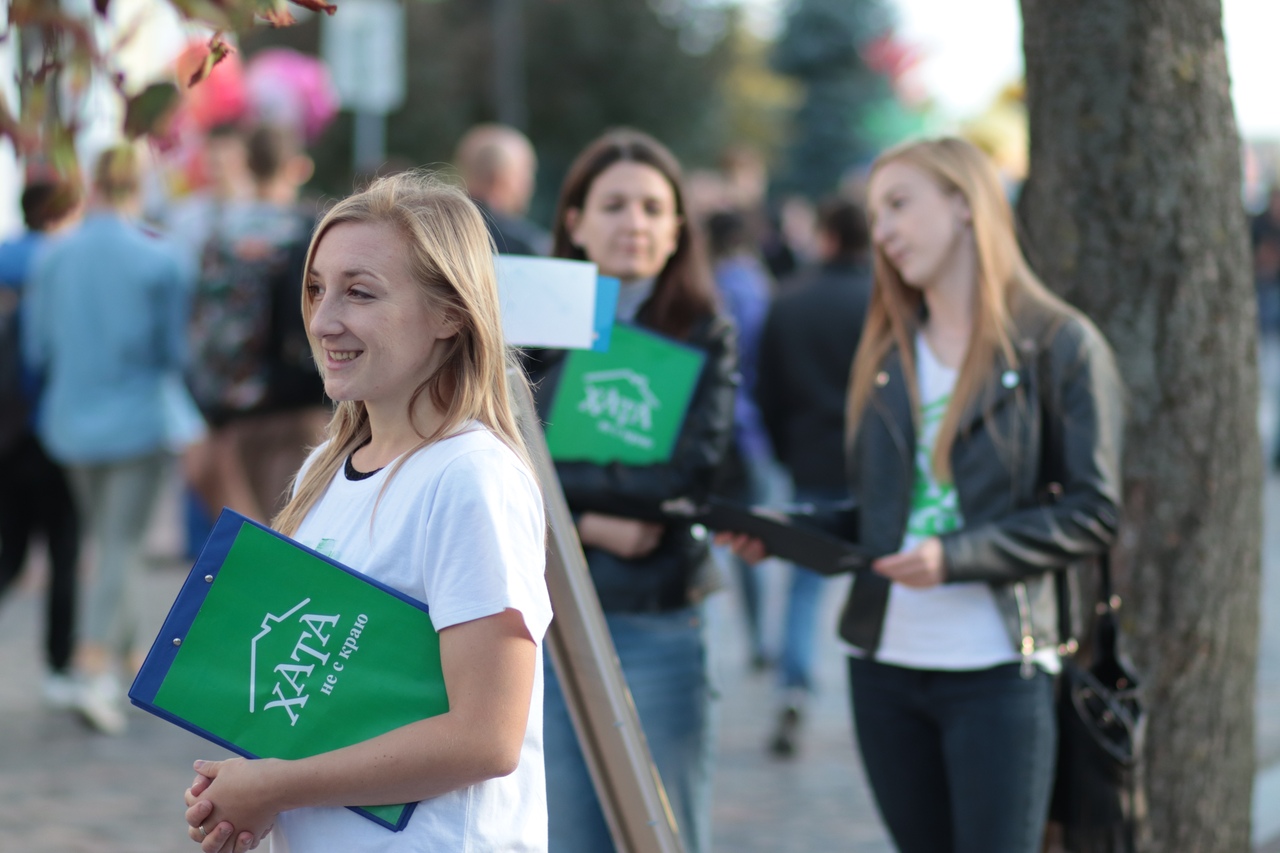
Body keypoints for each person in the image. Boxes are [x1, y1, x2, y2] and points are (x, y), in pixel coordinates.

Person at [724, 137, 1123, 853]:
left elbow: (1094, 511)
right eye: (876, 214)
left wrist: (959, 556)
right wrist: (784, 530)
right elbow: (882, 521)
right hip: (885, 670)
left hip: (1000, 670)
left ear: (965, 206)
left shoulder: (1058, 344)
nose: (882, 232)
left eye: (899, 205)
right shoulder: (887, 351)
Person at [180, 171, 551, 853]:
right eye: (317, 288)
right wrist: (258, 792)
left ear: (450, 313)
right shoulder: (327, 470)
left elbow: (487, 735)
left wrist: (276, 786)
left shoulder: (470, 475)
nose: (323, 320)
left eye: (361, 292)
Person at [527, 128, 737, 853]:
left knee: (665, 834)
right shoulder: (530, 329)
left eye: (654, 207)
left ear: (679, 226)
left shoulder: (703, 332)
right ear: (576, 220)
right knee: (567, 836)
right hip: (545, 626)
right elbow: (497, 462)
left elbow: (685, 479)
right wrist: (589, 521)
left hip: (655, 622)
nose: (635, 223)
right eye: (614, 204)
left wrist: (560, 492)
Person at [23, 144, 194, 735]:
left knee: (106, 539)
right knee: (119, 546)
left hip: (70, 419)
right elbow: (173, 353)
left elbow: (37, 347)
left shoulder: (54, 257)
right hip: (139, 417)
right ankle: (91, 665)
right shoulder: (160, 259)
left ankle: (132, 662)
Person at [754, 195, 872, 757]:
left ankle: (795, 683)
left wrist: (786, 451)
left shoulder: (791, 300)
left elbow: (766, 391)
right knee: (886, 577)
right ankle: (880, 692)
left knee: (804, 584)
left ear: (825, 234)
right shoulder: (883, 301)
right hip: (878, 464)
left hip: (812, 458)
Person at [184, 122, 328, 524]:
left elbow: (202, 327)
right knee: (302, 533)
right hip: (305, 402)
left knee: (252, 539)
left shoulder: (219, 235)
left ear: (245, 164)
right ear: (299, 167)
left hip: (235, 410)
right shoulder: (313, 232)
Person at [0, 177, 84, 708]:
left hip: (6, 432)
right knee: (64, 550)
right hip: (61, 427)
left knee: (8, 552)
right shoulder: (66, 262)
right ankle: (59, 665)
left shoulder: (6, 258)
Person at [704, 209, 776, 672]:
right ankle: (757, 639)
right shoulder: (756, 286)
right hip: (749, 431)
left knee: (704, 539)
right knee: (751, 541)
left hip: (710, 427)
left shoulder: (706, 286)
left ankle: (710, 639)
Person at [454, 123, 550, 256]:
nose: (530, 184)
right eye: (525, 174)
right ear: (500, 178)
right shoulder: (527, 246)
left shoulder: (435, 232)